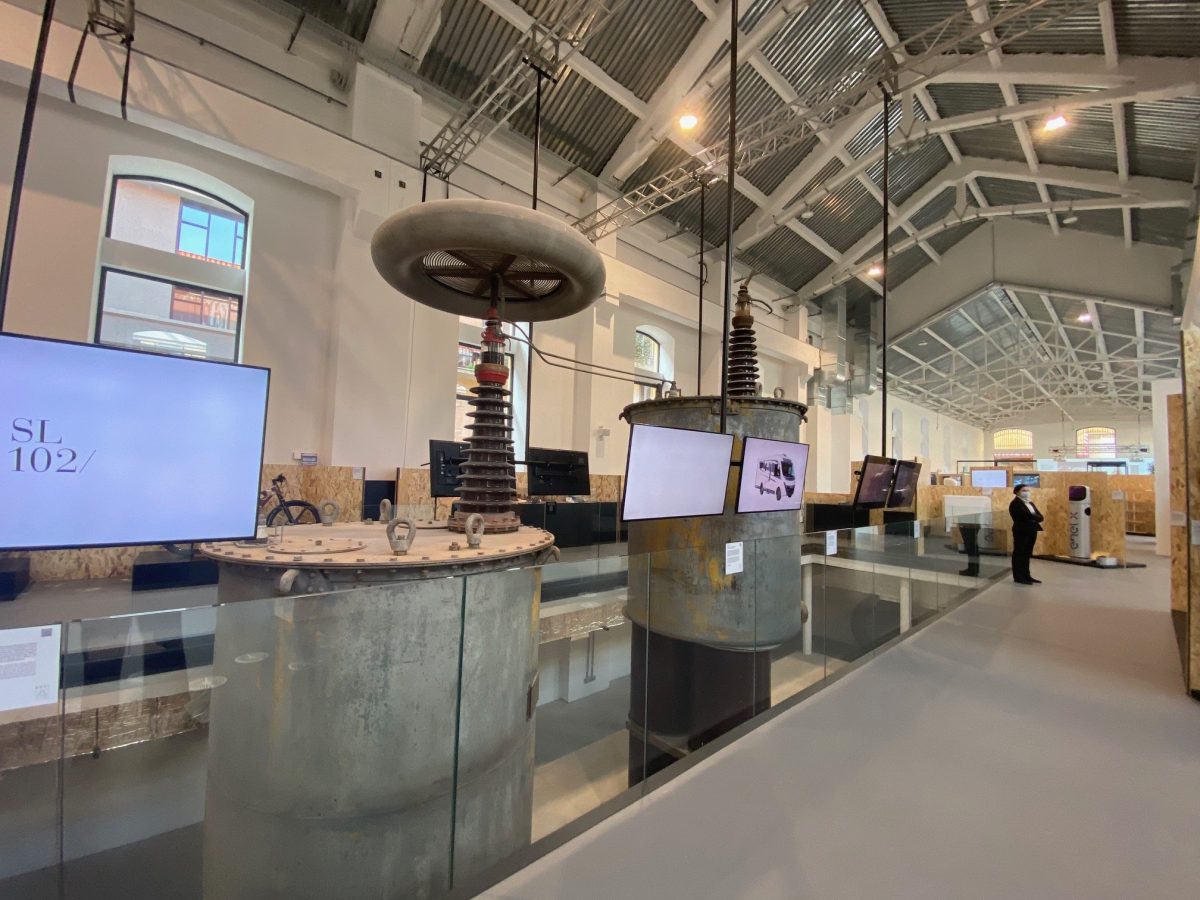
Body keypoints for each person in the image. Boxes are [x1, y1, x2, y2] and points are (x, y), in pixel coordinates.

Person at [1008, 484, 1044, 585]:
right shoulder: (1015, 504)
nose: (1026, 492)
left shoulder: (1030, 503)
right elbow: (1025, 516)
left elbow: (1040, 517)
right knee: (1020, 553)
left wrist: (1033, 517)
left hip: (1032, 530)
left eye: (1027, 490)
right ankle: (1019, 576)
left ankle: (1027, 575)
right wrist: (1034, 517)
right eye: (1024, 490)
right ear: (1017, 492)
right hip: (1021, 531)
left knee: (1027, 554)